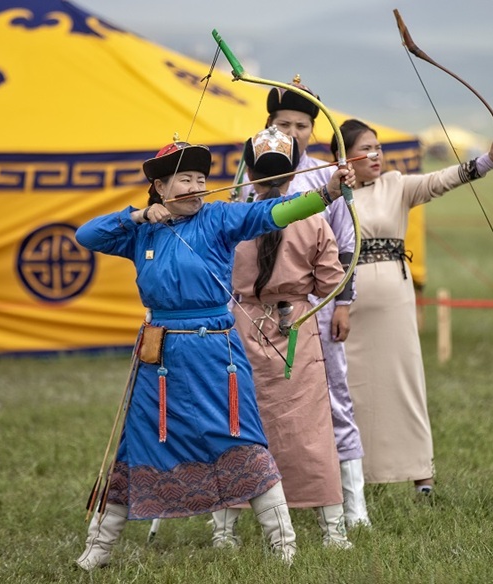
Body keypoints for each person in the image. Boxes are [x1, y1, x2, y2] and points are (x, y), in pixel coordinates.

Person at [73, 137, 354, 570]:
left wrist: (328, 192)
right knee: (136, 447)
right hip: (160, 354)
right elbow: (86, 235)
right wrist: (139, 215)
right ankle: (98, 550)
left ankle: (284, 547)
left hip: (213, 350)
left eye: (202, 178)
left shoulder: (220, 218)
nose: (196, 185)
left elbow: (273, 212)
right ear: (161, 187)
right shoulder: (141, 230)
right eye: (185, 178)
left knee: (241, 439)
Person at [330, 119, 493, 494]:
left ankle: (422, 478)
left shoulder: (396, 185)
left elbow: (440, 180)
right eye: (366, 149)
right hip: (347, 305)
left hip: (394, 303)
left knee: (405, 383)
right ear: (343, 156)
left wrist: (489, 160)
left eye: (378, 147)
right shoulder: (329, 195)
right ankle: (353, 478)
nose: (376, 155)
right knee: (351, 389)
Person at [211, 125, 352, 550]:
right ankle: (333, 531)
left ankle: (224, 532)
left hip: (242, 328)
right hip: (295, 328)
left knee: (235, 426)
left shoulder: (229, 216)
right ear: (293, 176)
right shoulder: (312, 217)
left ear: (250, 175)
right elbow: (330, 282)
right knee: (309, 431)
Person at [241, 76, 370, 529]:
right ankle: (267, 502)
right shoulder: (249, 177)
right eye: (283, 123)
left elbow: (347, 243)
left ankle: (351, 509)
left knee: (332, 398)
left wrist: (344, 304)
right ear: (268, 127)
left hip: (319, 304)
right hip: (254, 310)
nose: (293, 132)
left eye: (301, 124)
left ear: (314, 130)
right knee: (255, 401)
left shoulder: (327, 176)